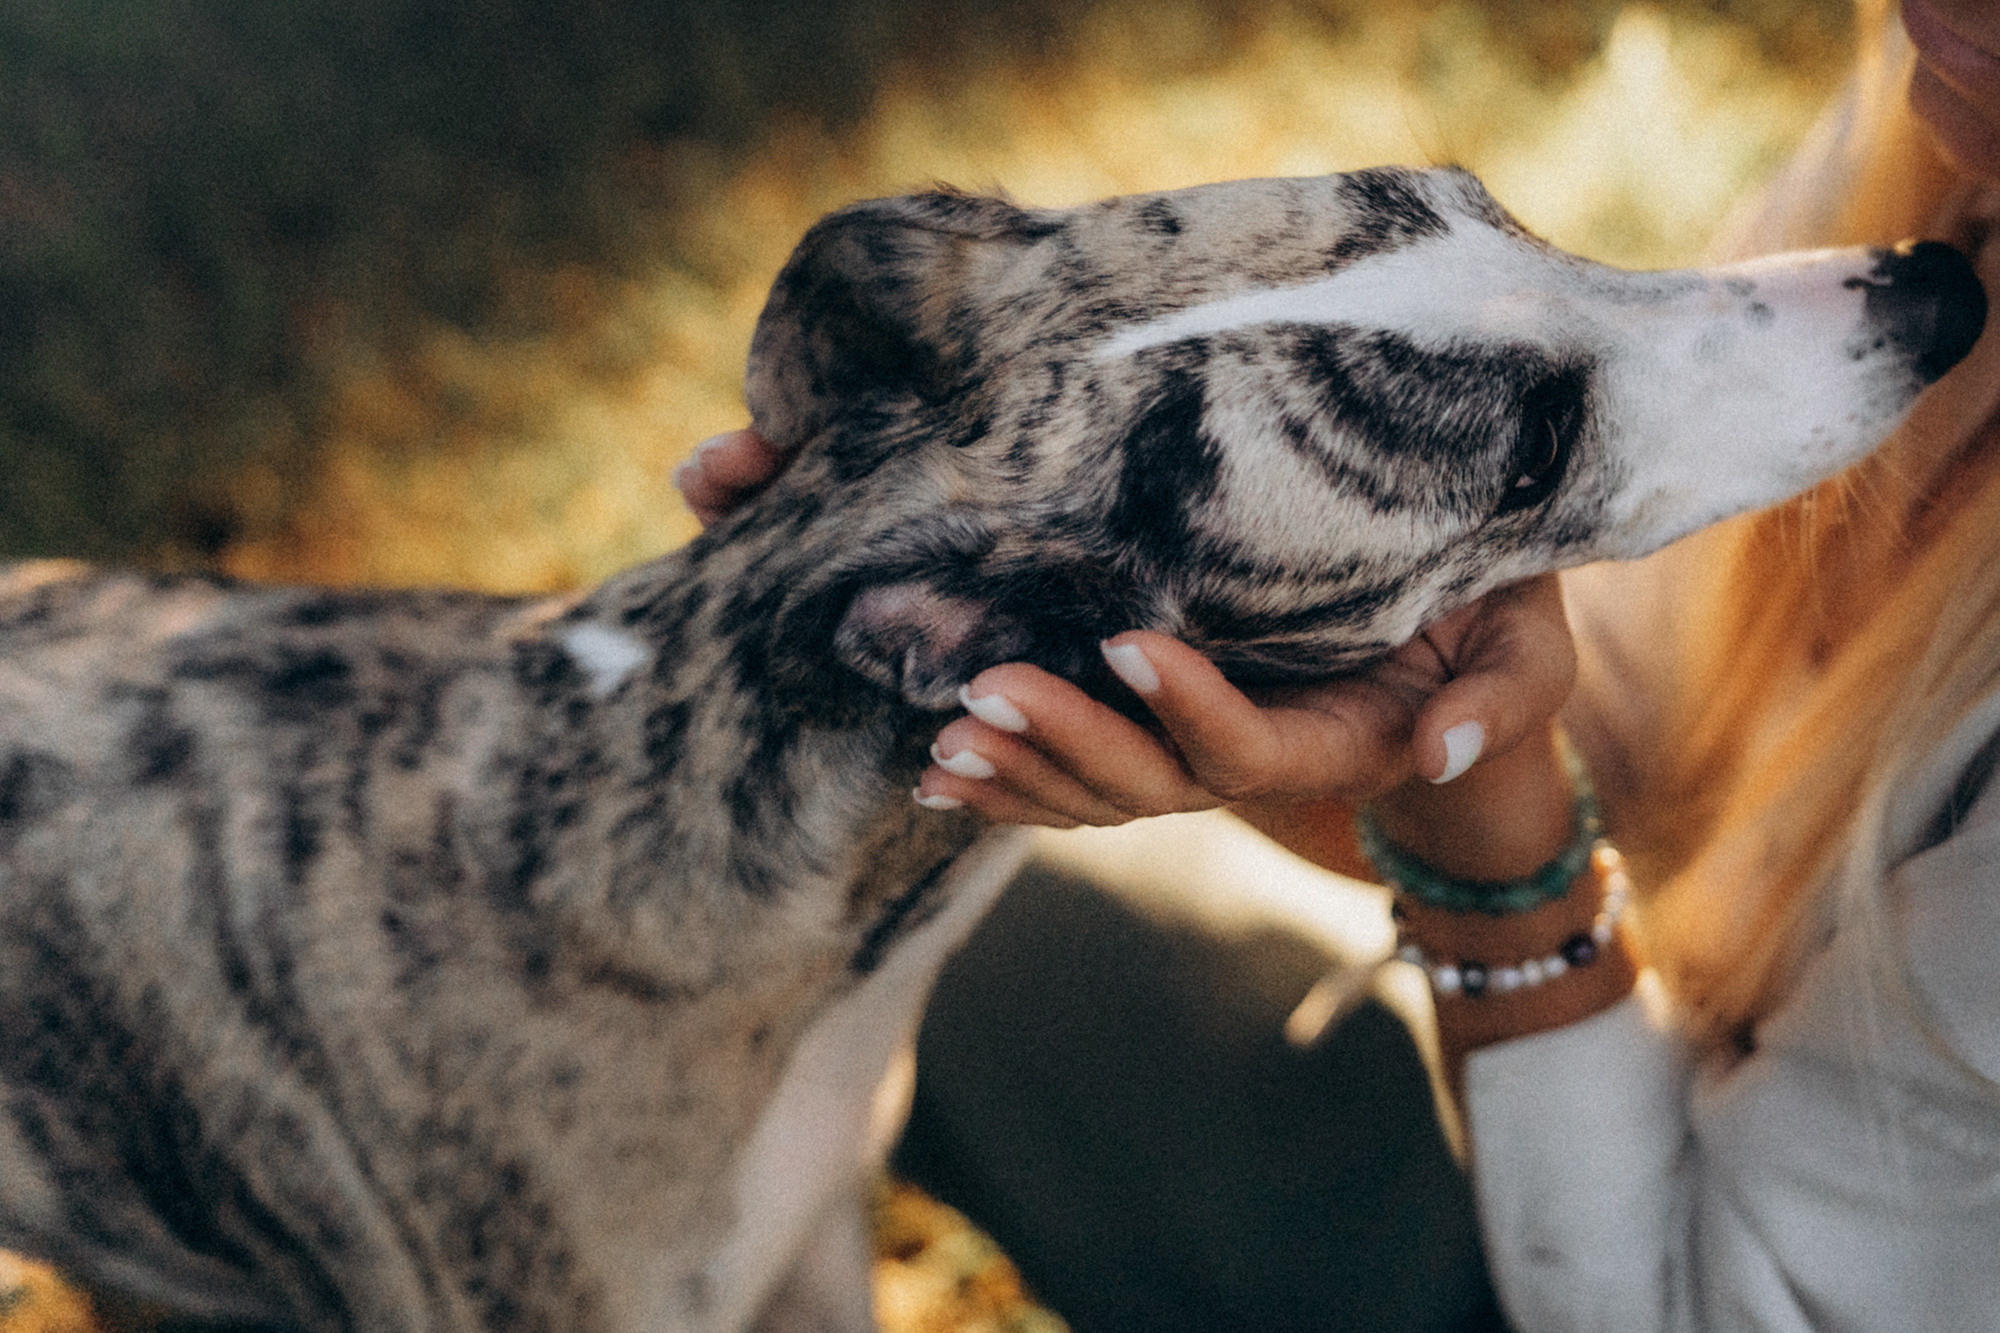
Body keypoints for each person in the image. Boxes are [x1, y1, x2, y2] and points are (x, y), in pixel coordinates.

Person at [680, 0, 2000, 1324]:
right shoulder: (1955, 90)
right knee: (919, 890)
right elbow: (1635, 705)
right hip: (1666, 1054)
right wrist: (1282, 689)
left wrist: (1481, 832)